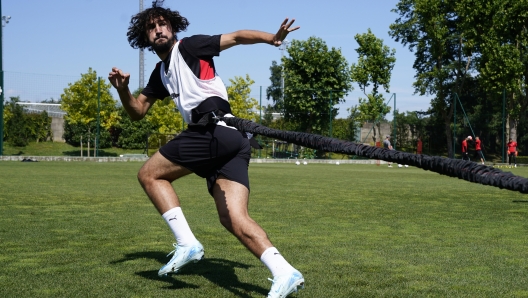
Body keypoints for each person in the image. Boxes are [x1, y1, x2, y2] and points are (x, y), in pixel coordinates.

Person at [108, 3, 304, 297]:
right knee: (233, 219)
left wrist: (272, 39)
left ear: (173, 28)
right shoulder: (160, 73)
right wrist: (123, 90)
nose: (158, 29)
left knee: (150, 175)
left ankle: (187, 243)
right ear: (144, 36)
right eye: (152, 27)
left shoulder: (191, 47)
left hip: (213, 130)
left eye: (163, 24)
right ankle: (285, 272)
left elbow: (236, 37)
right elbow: (137, 111)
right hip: (234, 141)